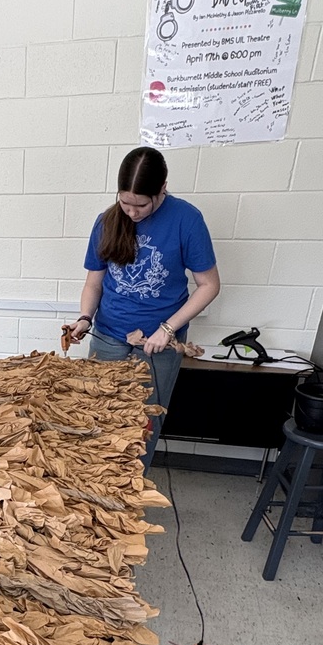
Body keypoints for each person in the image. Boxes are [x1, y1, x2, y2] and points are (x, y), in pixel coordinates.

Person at [65, 146, 220, 469]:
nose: (132, 213)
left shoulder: (187, 220)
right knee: (97, 415)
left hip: (157, 342)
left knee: (144, 421)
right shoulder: (107, 221)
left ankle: (133, 486)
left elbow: (209, 285)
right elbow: (94, 283)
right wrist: (84, 319)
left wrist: (168, 329)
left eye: (141, 205)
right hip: (108, 336)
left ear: (162, 190)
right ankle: (98, 485)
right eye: (125, 203)